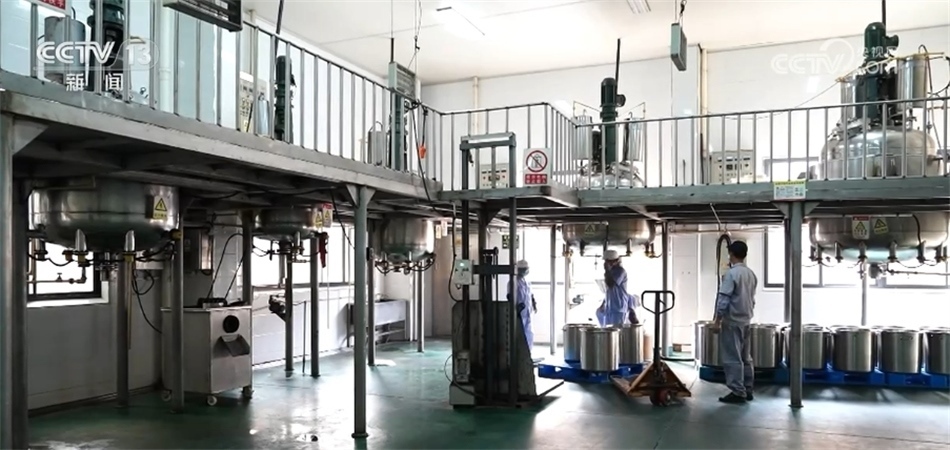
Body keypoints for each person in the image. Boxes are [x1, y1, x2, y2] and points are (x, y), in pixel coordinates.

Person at [714, 240, 758, 404]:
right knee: (745, 357)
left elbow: (724, 299)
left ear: (731, 254)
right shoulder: (751, 274)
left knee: (732, 357)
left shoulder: (731, 274)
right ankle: (748, 389)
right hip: (746, 321)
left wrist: (717, 320)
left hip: (732, 322)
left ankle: (738, 391)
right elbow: (752, 299)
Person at [596, 249, 634, 327]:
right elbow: (609, 291)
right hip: (610, 308)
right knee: (608, 330)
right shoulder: (611, 272)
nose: (606, 263)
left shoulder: (620, 271)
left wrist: (607, 271)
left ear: (615, 261)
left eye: (607, 261)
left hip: (618, 308)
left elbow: (611, 284)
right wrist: (603, 303)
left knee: (616, 330)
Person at [507, 259, 536, 349]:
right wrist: (515, 307)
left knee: (529, 334)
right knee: (520, 334)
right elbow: (509, 296)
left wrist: (534, 304)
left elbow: (530, 295)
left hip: (527, 312)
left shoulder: (527, 282)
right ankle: (520, 353)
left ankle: (529, 353)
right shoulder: (513, 282)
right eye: (523, 269)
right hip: (519, 313)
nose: (525, 271)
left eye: (526, 269)